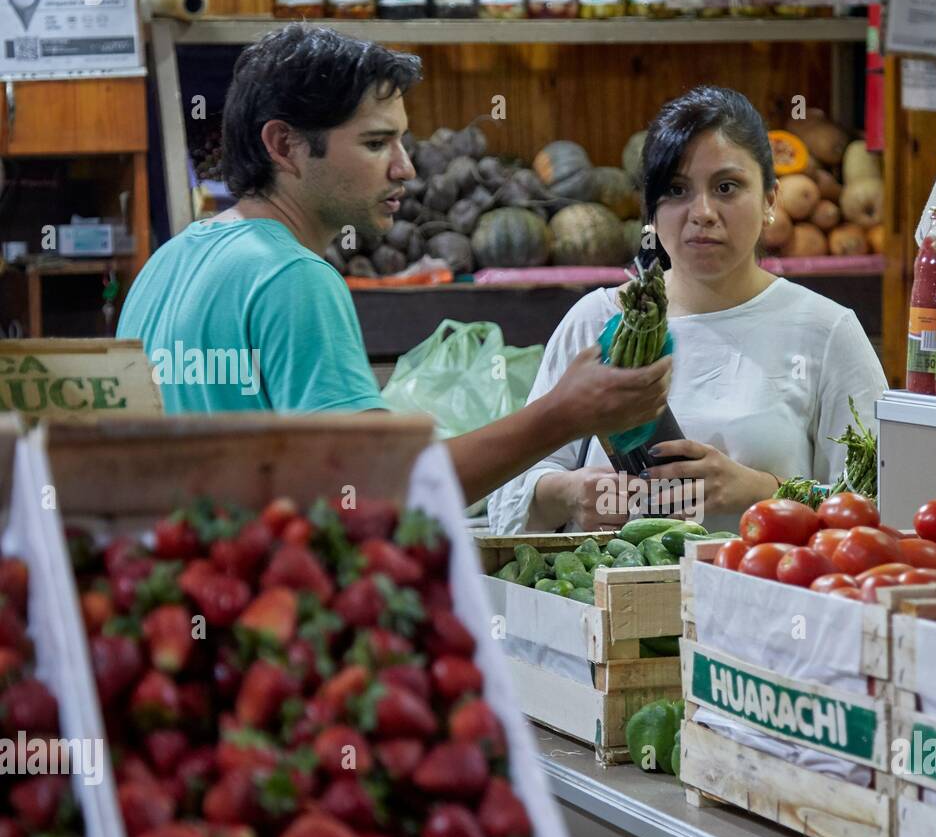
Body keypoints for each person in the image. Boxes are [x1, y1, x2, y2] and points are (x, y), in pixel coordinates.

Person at [117, 25, 669, 506]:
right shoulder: (292, 278)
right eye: (377, 143)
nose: (404, 167)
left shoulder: (166, 264)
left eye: (400, 141)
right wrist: (563, 415)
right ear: (285, 145)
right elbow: (380, 491)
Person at [488, 86, 888, 535]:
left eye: (726, 187)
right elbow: (509, 500)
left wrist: (762, 490)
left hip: (768, 597)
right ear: (650, 211)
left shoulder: (827, 331)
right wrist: (566, 495)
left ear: (770, 199)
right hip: (615, 599)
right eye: (677, 190)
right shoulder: (600, 321)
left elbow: (878, 504)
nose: (702, 212)